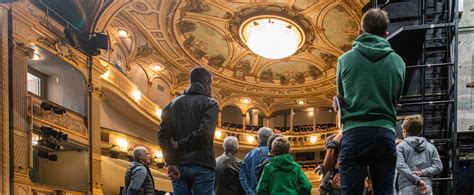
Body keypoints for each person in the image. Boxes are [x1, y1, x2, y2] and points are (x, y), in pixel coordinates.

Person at [336, 8, 406, 194]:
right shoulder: (398, 62)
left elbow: (342, 96)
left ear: (360, 31)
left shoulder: (344, 60)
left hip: (354, 133)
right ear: (385, 34)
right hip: (385, 133)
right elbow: (396, 98)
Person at [158, 67, 219, 194]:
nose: (210, 88)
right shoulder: (211, 103)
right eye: (210, 84)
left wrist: (170, 162)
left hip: (178, 166)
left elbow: (163, 137)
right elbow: (204, 134)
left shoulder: (170, 106)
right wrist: (180, 144)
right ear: (206, 82)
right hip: (203, 165)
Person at [396, 115, 443, 195]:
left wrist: (417, 180)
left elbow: (400, 166)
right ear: (420, 131)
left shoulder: (400, 146)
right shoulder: (430, 147)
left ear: (405, 131)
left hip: (407, 187)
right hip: (426, 186)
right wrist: (422, 172)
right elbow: (439, 167)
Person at [240, 127, 273, 195]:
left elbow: (242, 177)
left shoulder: (248, 156)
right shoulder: (276, 154)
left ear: (258, 139)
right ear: (271, 139)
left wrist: (250, 193)